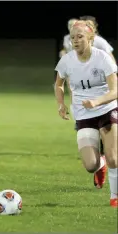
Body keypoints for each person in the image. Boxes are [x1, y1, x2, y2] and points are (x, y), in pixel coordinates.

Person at [54, 20, 117, 208]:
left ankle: (114, 197)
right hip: (83, 115)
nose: (75, 41)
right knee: (90, 165)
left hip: (107, 109)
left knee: (114, 156)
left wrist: (97, 101)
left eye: (80, 37)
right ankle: (100, 165)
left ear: (91, 38)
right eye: (73, 37)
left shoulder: (103, 58)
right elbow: (59, 83)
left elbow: (115, 90)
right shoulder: (66, 61)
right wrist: (61, 104)